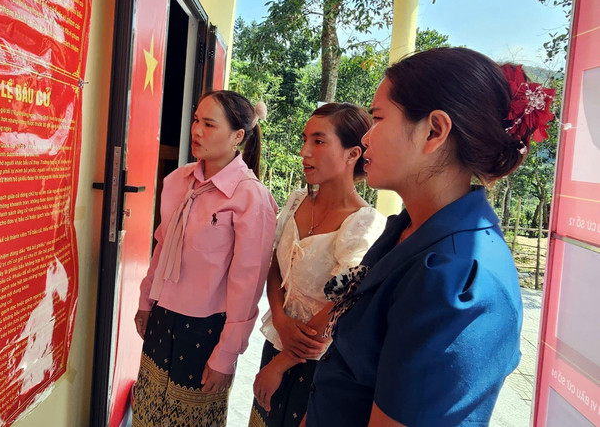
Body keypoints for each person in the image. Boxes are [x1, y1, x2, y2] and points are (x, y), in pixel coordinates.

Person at [304, 47, 556, 426]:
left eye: (378, 118)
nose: (367, 138)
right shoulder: (408, 229)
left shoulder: (459, 281)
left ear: (434, 131)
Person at [132, 90, 278, 426]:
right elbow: (162, 244)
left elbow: (248, 284)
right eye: (196, 120)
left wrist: (226, 354)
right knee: (147, 412)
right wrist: (146, 299)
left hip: (206, 331)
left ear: (238, 136)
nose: (197, 130)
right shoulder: (179, 181)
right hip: (163, 316)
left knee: (190, 418)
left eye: (209, 124)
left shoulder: (250, 198)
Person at [250, 103, 386, 427]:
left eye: (319, 141)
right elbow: (275, 268)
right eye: (304, 139)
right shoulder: (297, 201)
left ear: (353, 153)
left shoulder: (363, 223)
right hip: (276, 344)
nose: (304, 151)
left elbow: (342, 302)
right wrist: (280, 319)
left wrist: (280, 365)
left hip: (319, 366)